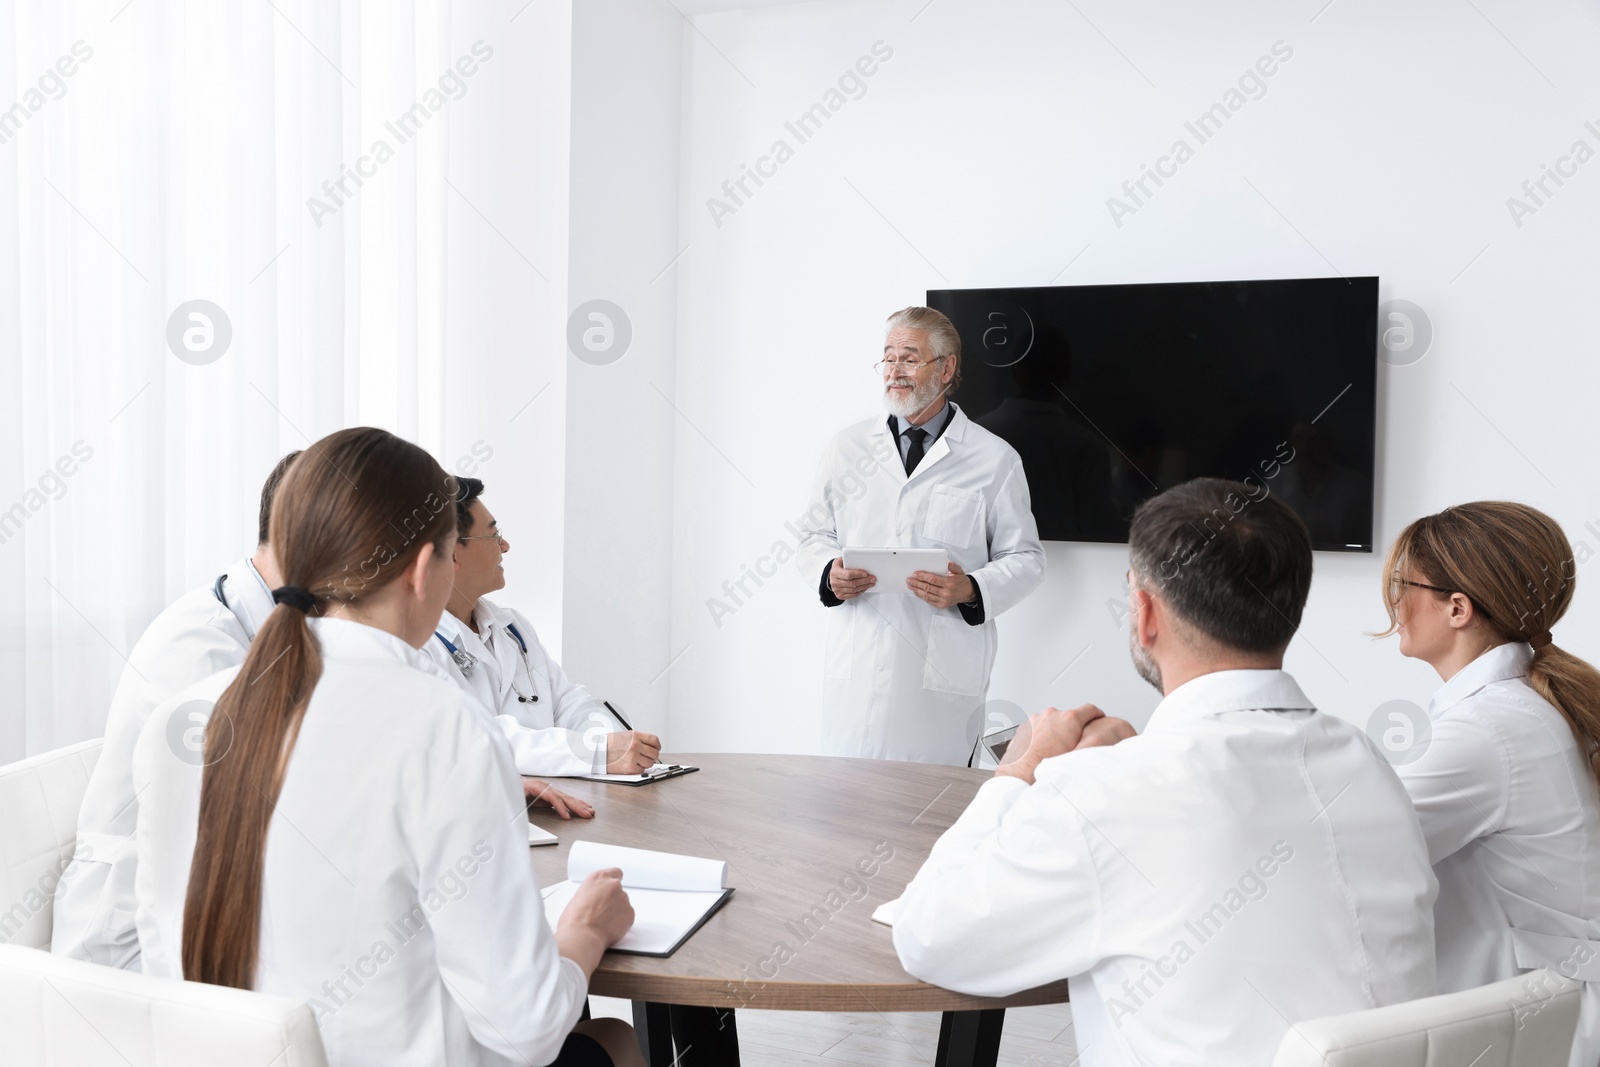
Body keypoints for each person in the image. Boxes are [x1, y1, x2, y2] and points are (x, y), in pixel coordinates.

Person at [134, 427, 642, 1067]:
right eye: (456, 551)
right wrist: (585, 932)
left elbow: (166, 968)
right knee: (615, 1042)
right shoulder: (446, 730)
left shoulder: (184, 719)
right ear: (425, 569)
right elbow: (527, 1031)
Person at [891, 478, 1437, 1066]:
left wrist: (1023, 768)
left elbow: (930, 938)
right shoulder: (1367, 764)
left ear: (1145, 612)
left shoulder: (1108, 794)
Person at [51, 450, 299, 968]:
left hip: (211, 909)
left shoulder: (276, 621)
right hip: (131, 945)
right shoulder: (202, 647)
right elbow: (236, 820)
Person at [1379, 502, 1600, 1067]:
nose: (1394, 603)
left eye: (1405, 584)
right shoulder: (1520, 706)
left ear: (1457, 608)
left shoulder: (1487, 730)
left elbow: (1354, 849)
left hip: (1539, 1036)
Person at [796, 306, 1045, 764]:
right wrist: (828, 572)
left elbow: (1026, 558)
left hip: (939, 683)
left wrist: (971, 587)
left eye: (909, 358)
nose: (894, 370)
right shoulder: (846, 448)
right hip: (857, 671)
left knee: (931, 812)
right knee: (843, 811)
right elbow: (812, 534)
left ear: (946, 368)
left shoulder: (994, 460)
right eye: (887, 358)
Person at [423, 477, 661, 776]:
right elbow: (474, 737)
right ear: (453, 553)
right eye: (494, 534)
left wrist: (613, 740)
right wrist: (595, 753)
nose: (505, 546)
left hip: (562, 802)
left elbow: (569, 704)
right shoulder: (416, 646)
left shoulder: (513, 629)